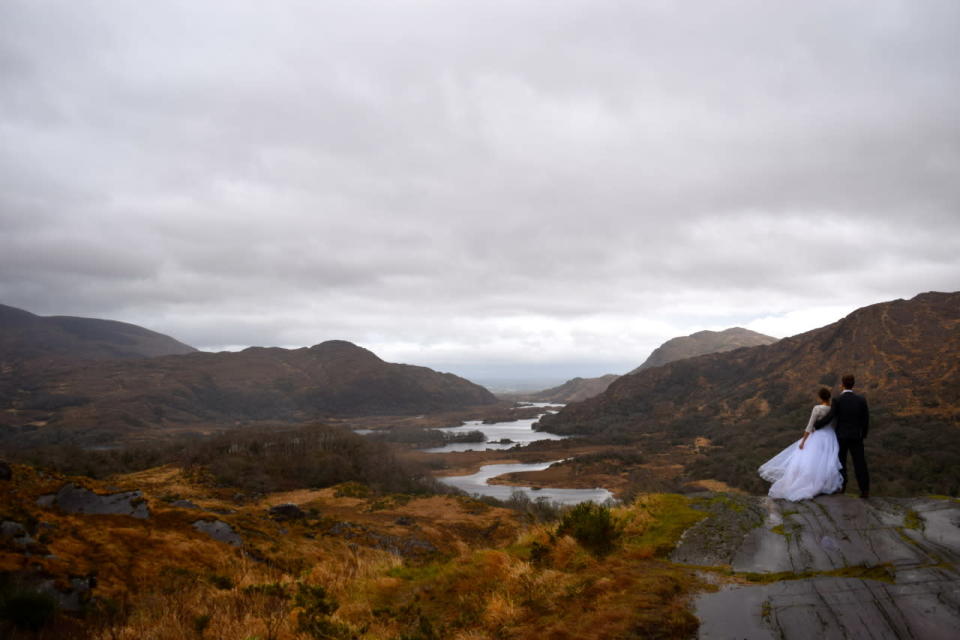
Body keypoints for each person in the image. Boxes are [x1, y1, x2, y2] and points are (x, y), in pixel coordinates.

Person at [758, 387, 843, 501]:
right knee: (825, 462)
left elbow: (809, 426)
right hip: (830, 437)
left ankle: (808, 484)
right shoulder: (833, 409)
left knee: (811, 461)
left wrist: (803, 441)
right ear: (829, 397)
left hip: (818, 437)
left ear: (820, 397)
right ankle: (823, 485)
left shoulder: (817, 408)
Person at [813, 374, 870, 498]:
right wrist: (863, 434)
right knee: (860, 463)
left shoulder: (837, 400)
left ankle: (842, 487)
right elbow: (865, 419)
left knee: (841, 462)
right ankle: (864, 490)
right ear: (853, 384)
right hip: (856, 436)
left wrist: (817, 425)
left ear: (842, 385)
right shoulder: (861, 399)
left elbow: (830, 416)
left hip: (841, 436)